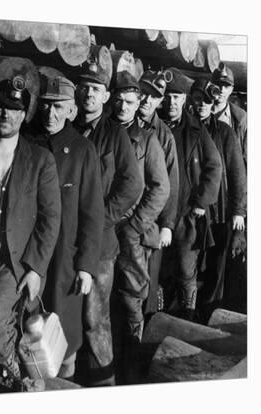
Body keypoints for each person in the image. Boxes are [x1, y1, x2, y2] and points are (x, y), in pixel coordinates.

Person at [0, 76, 61, 394]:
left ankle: (15, 379)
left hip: (13, 262)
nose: (5, 114)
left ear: (24, 114)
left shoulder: (40, 161)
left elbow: (50, 220)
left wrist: (35, 268)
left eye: (13, 108)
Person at [31, 74, 104, 385]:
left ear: (72, 111)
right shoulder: (28, 145)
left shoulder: (82, 150)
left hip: (66, 260)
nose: (51, 114)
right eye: (46, 106)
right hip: (33, 258)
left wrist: (86, 266)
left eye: (58, 107)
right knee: (34, 334)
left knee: (68, 337)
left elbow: (92, 213)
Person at [73, 60, 143, 385]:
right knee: (66, 317)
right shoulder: (65, 129)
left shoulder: (115, 134)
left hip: (100, 246)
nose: (89, 94)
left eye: (96, 89)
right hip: (65, 241)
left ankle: (105, 387)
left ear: (106, 96)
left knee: (94, 319)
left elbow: (132, 185)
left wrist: (102, 219)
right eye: (84, 87)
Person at [110, 71, 169, 382]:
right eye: (118, 101)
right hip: (104, 230)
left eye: (129, 102)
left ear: (137, 106)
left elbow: (161, 187)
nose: (123, 107)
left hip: (133, 235)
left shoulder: (148, 140)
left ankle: (132, 374)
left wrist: (134, 226)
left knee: (131, 302)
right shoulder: (101, 134)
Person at [159, 67, 222, 321]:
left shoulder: (196, 129)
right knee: (160, 271)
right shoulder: (158, 125)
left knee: (186, 271)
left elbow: (214, 166)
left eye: (177, 97)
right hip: (160, 211)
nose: (171, 102)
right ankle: (158, 322)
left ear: (185, 100)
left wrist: (200, 202)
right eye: (168, 97)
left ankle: (187, 320)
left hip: (187, 213)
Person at [189, 79, 246, 321]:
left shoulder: (225, 132)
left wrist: (238, 211)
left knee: (216, 269)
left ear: (214, 104)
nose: (202, 104)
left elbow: (237, 174)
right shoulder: (185, 129)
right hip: (192, 209)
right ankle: (186, 316)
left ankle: (210, 318)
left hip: (219, 212)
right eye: (198, 99)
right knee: (191, 266)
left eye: (207, 100)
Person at [137, 70, 180, 315]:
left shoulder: (164, 135)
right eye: (143, 93)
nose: (146, 100)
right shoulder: (121, 123)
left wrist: (167, 225)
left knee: (146, 283)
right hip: (124, 216)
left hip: (150, 222)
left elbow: (171, 183)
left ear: (159, 101)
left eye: (153, 97)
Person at [211, 62, 247, 167]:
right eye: (218, 84)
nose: (221, 90)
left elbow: (246, 156)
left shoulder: (241, 117)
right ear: (211, 86)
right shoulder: (202, 111)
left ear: (231, 89)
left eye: (226, 86)